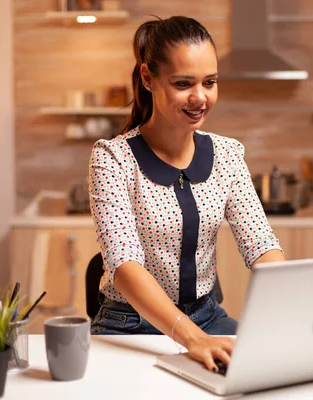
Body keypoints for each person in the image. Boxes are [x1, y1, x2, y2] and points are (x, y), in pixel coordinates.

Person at [88, 15, 286, 372]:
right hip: (131, 328)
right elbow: (123, 264)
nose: (200, 98)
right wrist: (190, 337)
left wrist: (295, 298)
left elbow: (260, 244)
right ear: (148, 78)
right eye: (183, 83)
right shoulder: (113, 158)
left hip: (208, 319)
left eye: (209, 82)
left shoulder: (227, 154)